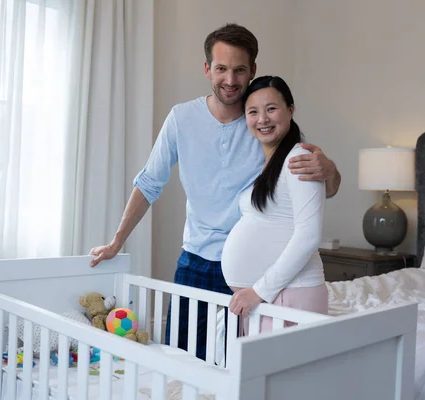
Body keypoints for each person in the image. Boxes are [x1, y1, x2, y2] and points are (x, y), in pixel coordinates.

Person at [89, 23, 341, 360]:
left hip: (255, 274)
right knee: (179, 357)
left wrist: (332, 171)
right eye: (221, 69)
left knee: (237, 367)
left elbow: (313, 186)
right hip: (196, 258)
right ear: (208, 69)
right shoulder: (182, 118)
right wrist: (117, 241)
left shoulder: (265, 126)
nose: (231, 80)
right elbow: (149, 182)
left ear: (253, 70)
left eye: (239, 70)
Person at [223, 75, 328, 334]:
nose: (262, 119)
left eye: (271, 109)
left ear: (290, 110)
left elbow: (308, 236)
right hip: (269, 299)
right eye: (253, 112)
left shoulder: (299, 159)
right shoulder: (268, 165)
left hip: (288, 296)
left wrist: (259, 291)